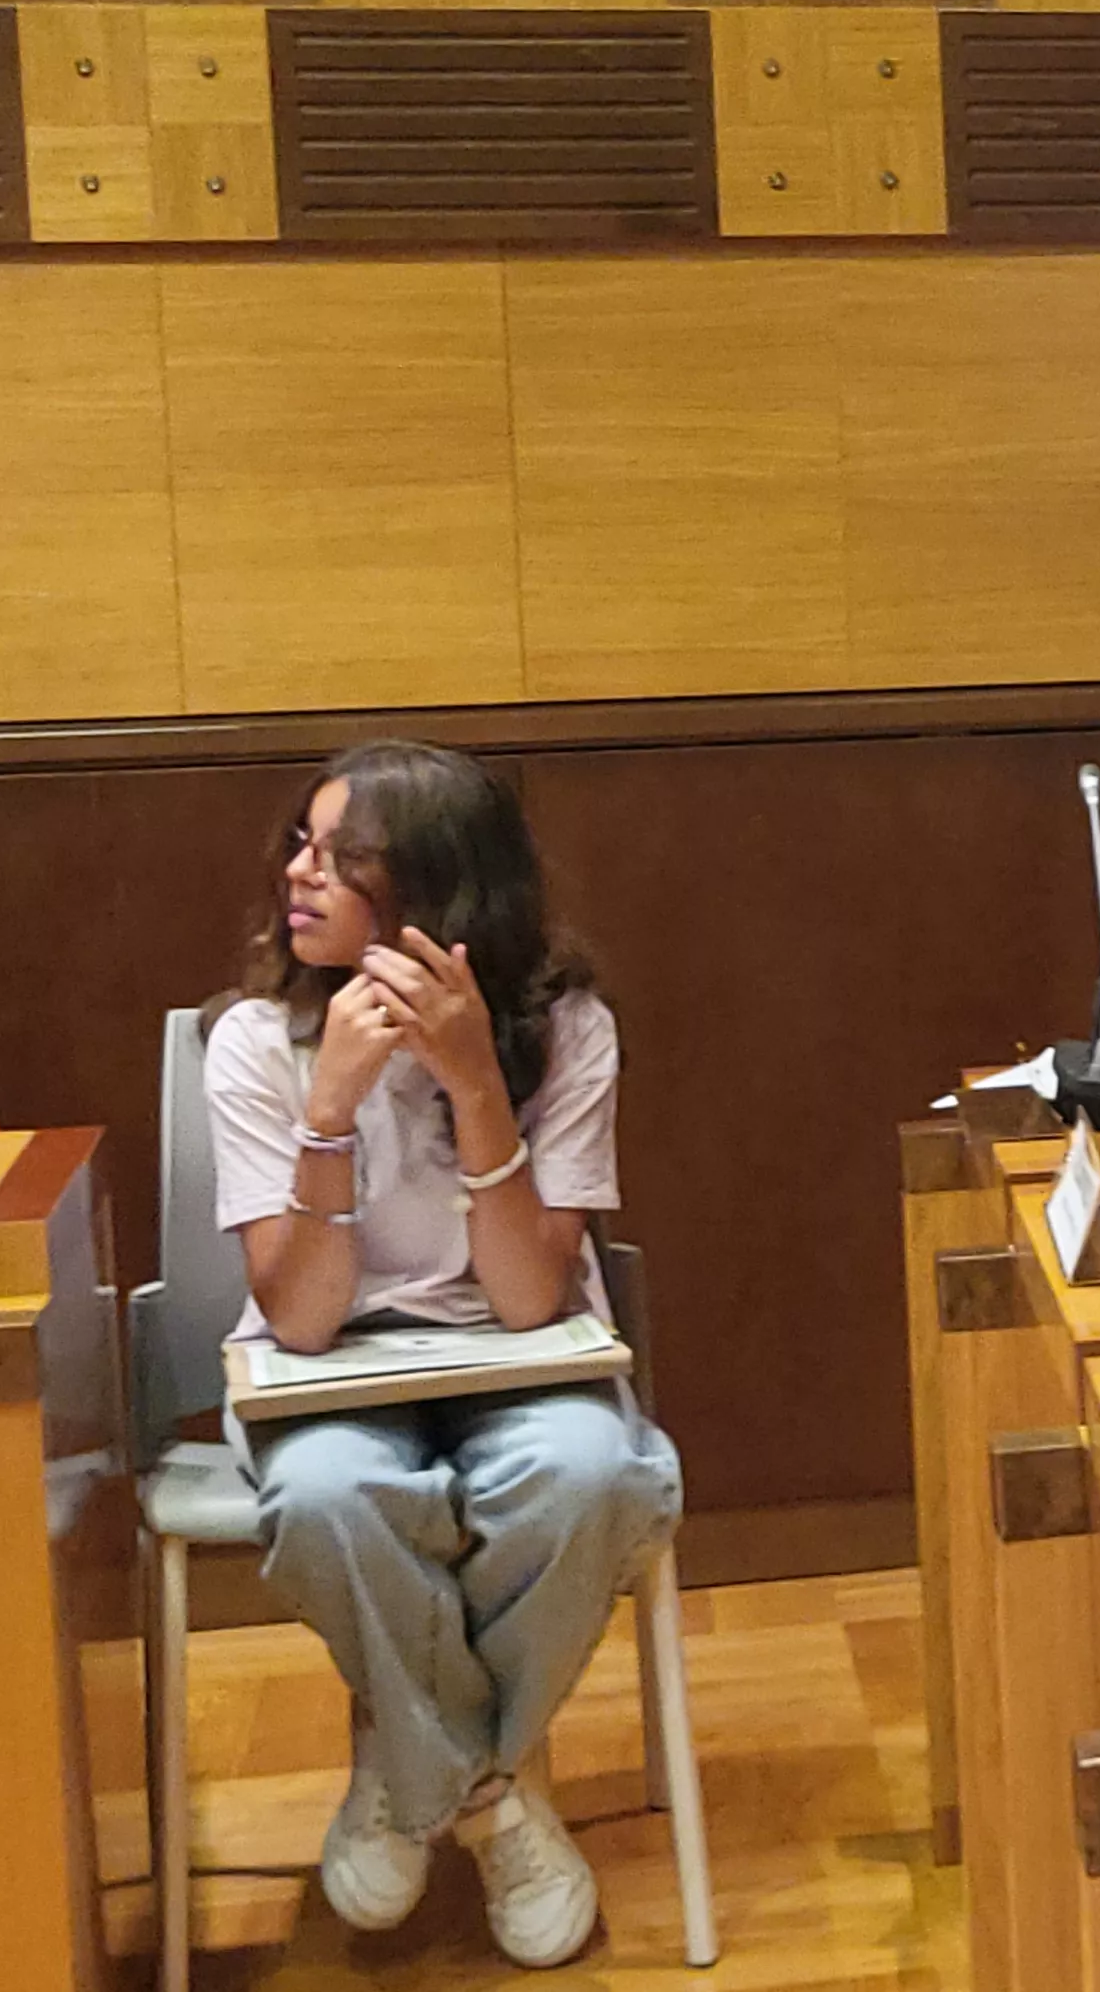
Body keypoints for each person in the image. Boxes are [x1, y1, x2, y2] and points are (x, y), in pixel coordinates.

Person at [205, 741, 679, 1970]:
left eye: (339, 857)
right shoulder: (255, 1043)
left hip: (520, 1361)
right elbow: (301, 1318)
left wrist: (474, 1087)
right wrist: (329, 1116)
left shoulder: (566, 1029)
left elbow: (528, 1300)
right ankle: (488, 1796)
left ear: (437, 895)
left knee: (596, 1478)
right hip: (332, 1370)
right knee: (324, 1495)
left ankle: (406, 1774)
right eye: (300, 846)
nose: (296, 877)